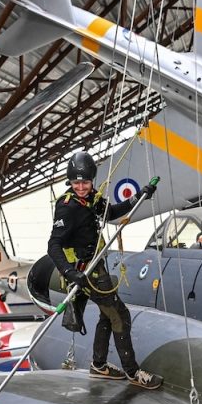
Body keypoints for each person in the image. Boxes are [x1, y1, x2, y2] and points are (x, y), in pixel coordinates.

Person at [47, 152, 163, 390]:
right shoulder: (67, 208)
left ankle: (99, 365)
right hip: (84, 271)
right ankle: (133, 372)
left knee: (107, 314)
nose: (80, 187)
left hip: (95, 266)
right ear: (69, 182)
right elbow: (53, 245)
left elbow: (109, 213)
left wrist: (138, 198)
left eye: (85, 182)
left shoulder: (92, 198)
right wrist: (70, 272)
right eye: (76, 182)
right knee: (120, 315)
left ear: (92, 181)